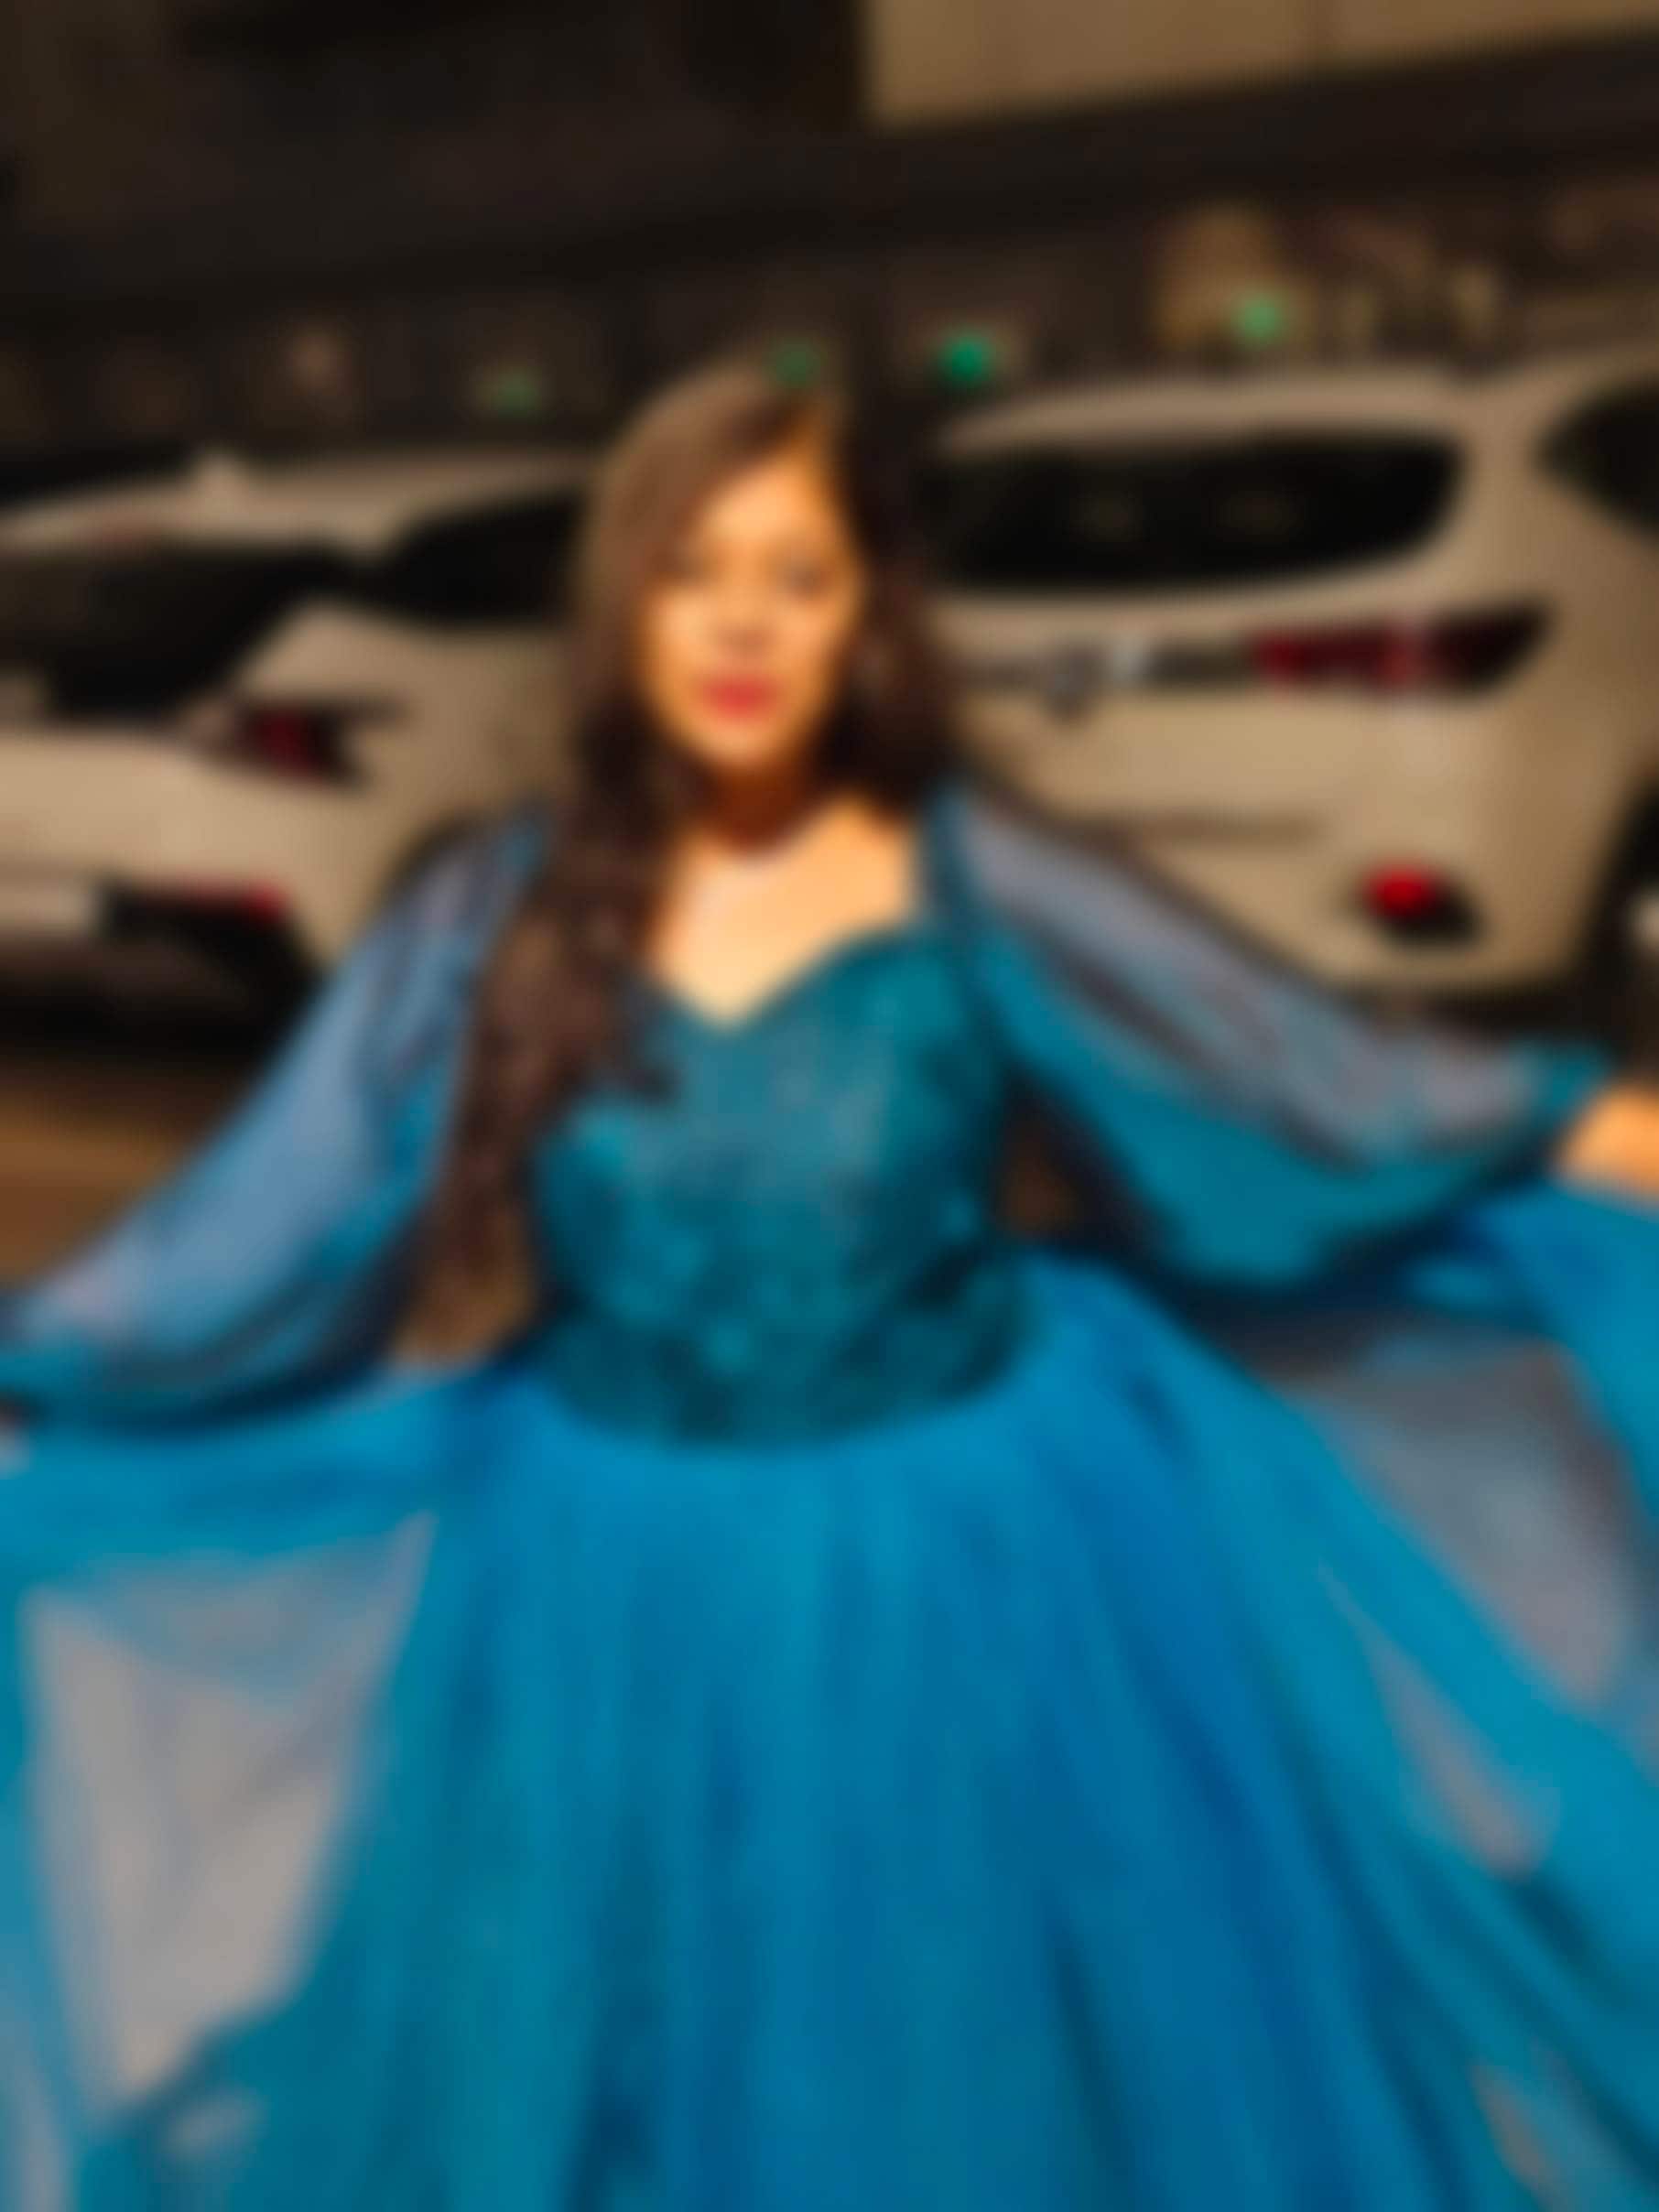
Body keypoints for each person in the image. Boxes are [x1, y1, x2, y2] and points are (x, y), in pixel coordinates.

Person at [5, 361, 1659, 2211]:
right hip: (601, 1587)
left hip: (964, 1573)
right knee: (604, 2076)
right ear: (624, 602)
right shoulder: (505, 907)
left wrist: (1591, 1128)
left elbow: (1294, 1082)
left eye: (797, 576)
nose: (743, 623)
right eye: (694, 569)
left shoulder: (969, 872)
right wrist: (42, 1366)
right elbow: (271, 1220)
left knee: (945, 2080)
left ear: (867, 612)